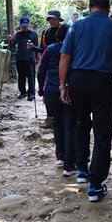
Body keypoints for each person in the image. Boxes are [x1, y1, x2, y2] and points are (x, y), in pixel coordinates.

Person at [59, 0, 112, 203]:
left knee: (81, 124)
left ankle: (82, 169)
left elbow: (65, 56)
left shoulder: (76, 26)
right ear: (108, 9)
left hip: (78, 80)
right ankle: (95, 185)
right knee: (102, 133)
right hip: (103, 82)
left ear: (91, 7)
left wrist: (63, 85)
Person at [37, 23, 77, 176]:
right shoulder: (73, 50)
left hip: (51, 92)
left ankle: (60, 157)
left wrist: (41, 89)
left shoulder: (49, 50)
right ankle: (69, 164)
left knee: (58, 123)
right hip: (68, 91)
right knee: (70, 125)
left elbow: (41, 71)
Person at [8, 16, 38, 100]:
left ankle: (31, 94)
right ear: (20, 25)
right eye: (23, 26)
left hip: (30, 58)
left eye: (26, 25)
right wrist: (10, 39)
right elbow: (13, 43)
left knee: (31, 76)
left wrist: (37, 58)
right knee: (21, 76)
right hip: (20, 58)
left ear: (28, 24)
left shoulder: (33, 34)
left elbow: (36, 46)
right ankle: (23, 92)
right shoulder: (18, 34)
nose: (24, 27)